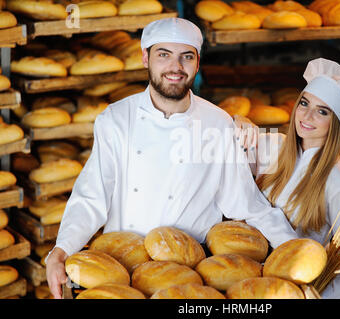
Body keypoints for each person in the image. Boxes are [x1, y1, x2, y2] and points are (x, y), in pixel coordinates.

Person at [45, 18, 298, 298]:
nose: (175, 67)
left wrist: (293, 250)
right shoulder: (116, 120)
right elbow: (92, 198)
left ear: (197, 64)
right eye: (164, 55)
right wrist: (61, 250)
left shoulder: (217, 124)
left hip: (191, 277)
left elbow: (248, 205)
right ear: (145, 58)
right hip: (123, 271)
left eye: (186, 57)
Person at [235, 58, 340, 299]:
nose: (307, 116)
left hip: (288, 291)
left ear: (335, 124)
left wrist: (319, 295)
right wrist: (239, 121)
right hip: (246, 283)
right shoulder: (276, 146)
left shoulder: (338, 182)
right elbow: (227, 141)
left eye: (322, 111)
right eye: (304, 103)